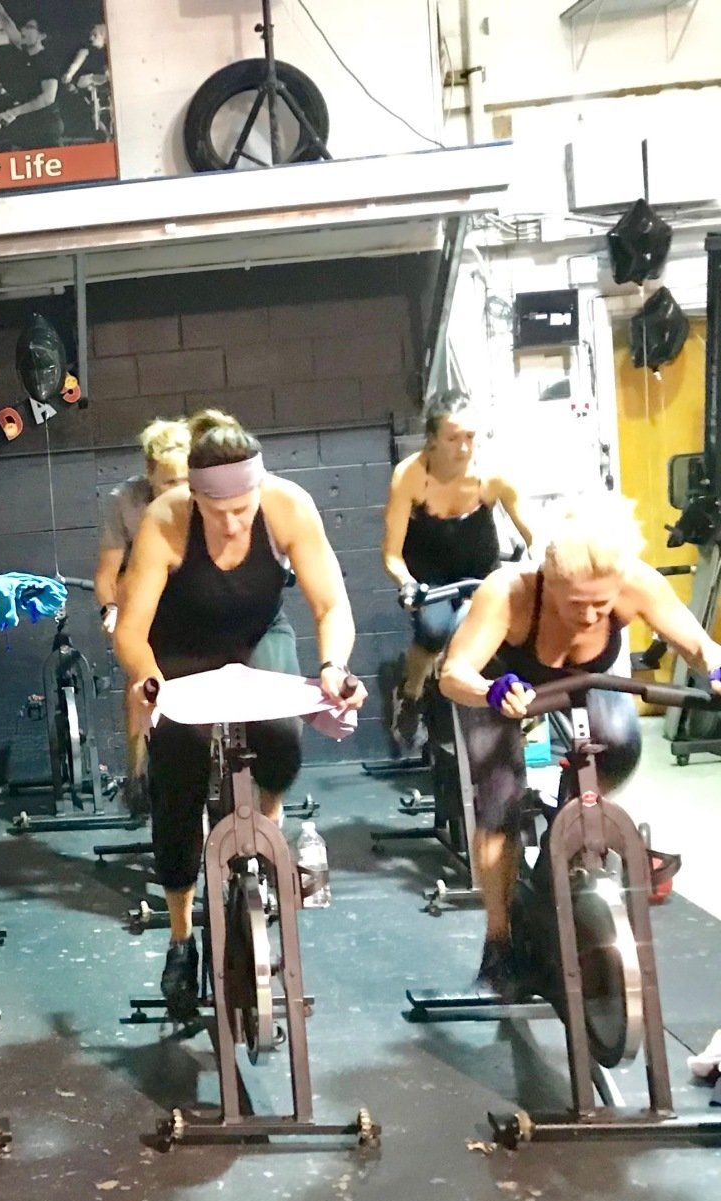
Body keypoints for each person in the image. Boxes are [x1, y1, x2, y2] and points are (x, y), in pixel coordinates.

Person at [114, 421, 365, 1019]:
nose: (232, 523)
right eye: (218, 511)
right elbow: (130, 629)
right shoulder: (164, 522)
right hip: (180, 647)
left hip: (256, 638)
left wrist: (333, 666)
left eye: (242, 509)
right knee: (175, 775)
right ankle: (180, 936)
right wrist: (152, 683)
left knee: (282, 736)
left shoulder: (287, 508)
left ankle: (262, 838)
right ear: (194, 498)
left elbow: (330, 604)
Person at [439, 492, 721, 994]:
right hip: (500, 681)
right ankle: (498, 939)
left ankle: (563, 839)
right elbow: (453, 674)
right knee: (499, 800)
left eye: (602, 605)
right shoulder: (509, 593)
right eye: (576, 605)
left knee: (620, 744)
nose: (591, 618)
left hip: (581, 680)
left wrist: (715, 668)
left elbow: (698, 645)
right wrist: (490, 690)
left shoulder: (634, 583)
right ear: (549, 582)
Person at [382, 392, 534, 745]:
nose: (463, 448)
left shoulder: (492, 477)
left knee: (478, 631)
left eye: (470, 437)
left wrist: (539, 561)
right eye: (453, 439)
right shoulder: (410, 477)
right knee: (433, 629)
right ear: (432, 440)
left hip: (482, 575)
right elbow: (391, 554)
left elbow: (532, 532)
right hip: (429, 579)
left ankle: (504, 713)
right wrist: (405, 583)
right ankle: (411, 695)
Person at [94, 418, 191, 807]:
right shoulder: (126, 502)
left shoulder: (206, 496)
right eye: (169, 482)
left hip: (193, 595)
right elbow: (106, 573)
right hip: (142, 597)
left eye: (187, 479)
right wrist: (111, 610)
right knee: (140, 685)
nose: (181, 490)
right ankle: (137, 776)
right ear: (150, 474)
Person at [0, 2, 64, 145]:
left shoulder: (46, 60)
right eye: (23, 27)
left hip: (46, 130)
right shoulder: (24, 50)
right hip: (27, 129)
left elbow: (48, 98)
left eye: (30, 28)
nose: (23, 29)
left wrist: (12, 113)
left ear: (42, 35)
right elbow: (8, 24)